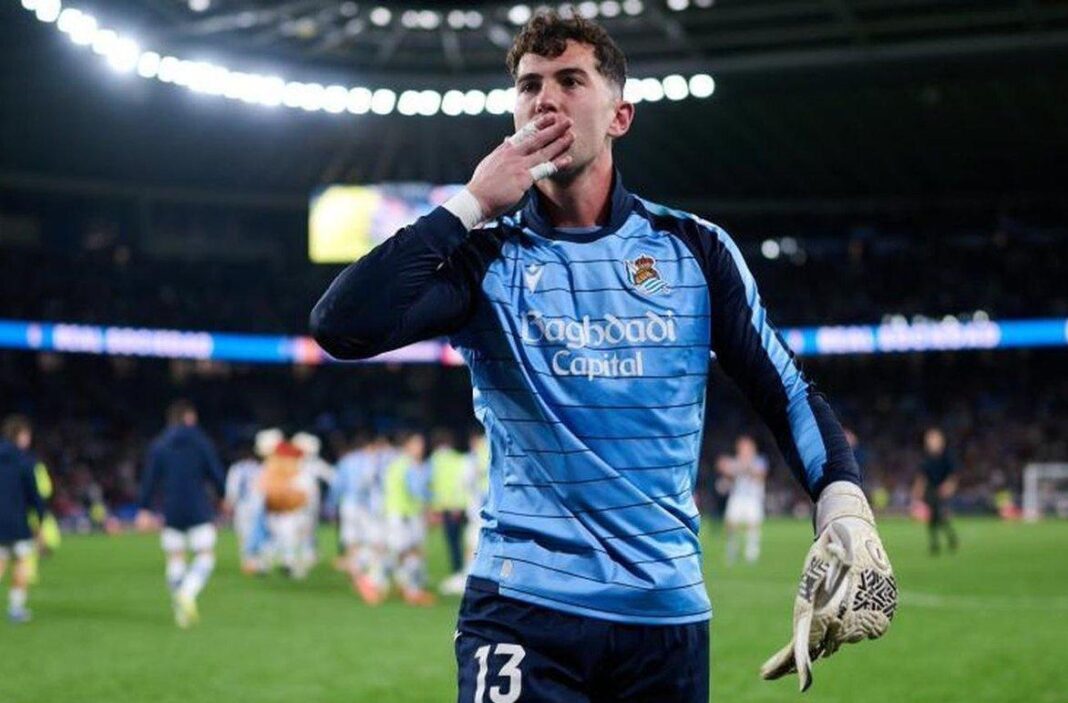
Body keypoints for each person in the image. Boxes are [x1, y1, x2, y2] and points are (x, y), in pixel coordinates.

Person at [311, 11, 896, 699]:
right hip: (521, 609)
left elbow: (785, 390)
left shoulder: (695, 250)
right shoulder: (486, 259)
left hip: (664, 616)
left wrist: (843, 502)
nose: (546, 100)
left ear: (620, 116)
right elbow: (342, 326)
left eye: (570, 81)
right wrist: (469, 203)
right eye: (530, 86)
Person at [136, 400, 225, 628]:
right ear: (189, 417)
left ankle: (180, 613)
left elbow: (149, 480)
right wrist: (224, 495)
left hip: (171, 510)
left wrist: (144, 508)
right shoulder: (201, 442)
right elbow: (215, 473)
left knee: (175, 557)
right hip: (198, 508)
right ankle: (187, 593)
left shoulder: (159, 444)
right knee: (205, 555)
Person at [0, 415, 45, 623]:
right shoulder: (24, 461)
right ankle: (16, 608)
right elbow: (34, 494)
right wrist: (40, 519)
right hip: (18, 520)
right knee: (21, 561)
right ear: (20, 435)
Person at [382, 431, 435, 606]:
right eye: (417, 444)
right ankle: (377, 579)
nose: (421, 448)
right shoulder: (408, 465)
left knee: (403, 552)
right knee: (409, 551)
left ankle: (405, 586)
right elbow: (415, 489)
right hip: (404, 515)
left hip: (398, 513)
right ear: (407, 445)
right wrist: (431, 502)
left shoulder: (396, 463)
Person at [429, 429, 469, 595]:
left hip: (447, 507)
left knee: (453, 543)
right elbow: (462, 484)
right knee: (462, 541)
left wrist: (435, 508)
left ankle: (458, 574)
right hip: (461, 506)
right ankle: (461, 574)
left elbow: (434, 485)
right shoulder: (459, 459)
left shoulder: (435, 460)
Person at [717, 435, 768, 565]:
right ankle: (731, 551)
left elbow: (761, 475)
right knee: (731, 525)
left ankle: (752, 554)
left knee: (753, 526)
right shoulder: (735, 461)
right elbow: (723, 469)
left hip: (753, 498)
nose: (744, 450)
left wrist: (745, 467)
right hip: (737, 497)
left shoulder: (759, 461)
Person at [913, 427, 959, 555]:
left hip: (942, 489)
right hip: (931, 490)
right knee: (934, 517)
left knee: (938, 516)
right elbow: (922, 477)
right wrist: (918, 491)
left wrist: (949, 486)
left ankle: (945, 540)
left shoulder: (947, 457)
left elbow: (953, 475)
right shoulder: (926, 459)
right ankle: (939, 542)